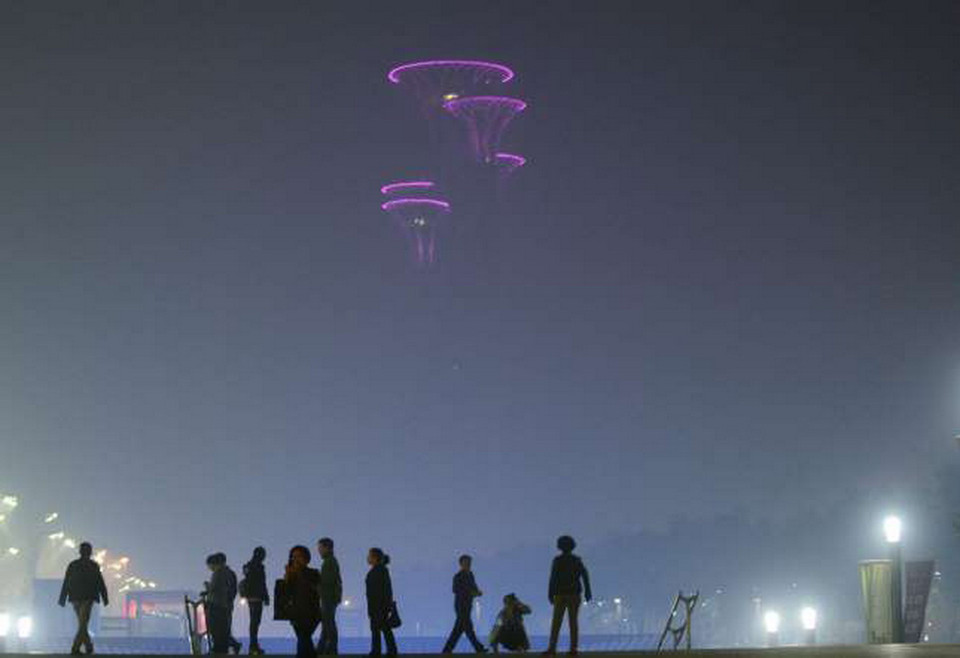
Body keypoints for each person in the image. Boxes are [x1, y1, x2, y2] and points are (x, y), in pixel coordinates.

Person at [58, 542, 109, 655]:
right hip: (88, 597)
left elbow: (67, 582)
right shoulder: (93, 566)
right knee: (83, 623)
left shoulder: (73, 565)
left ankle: (83, 647)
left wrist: (63, 598)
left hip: (75, 597)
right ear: (90, 552)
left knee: (82, 623)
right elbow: (100, 582)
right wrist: (105, 597)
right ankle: (81, 647)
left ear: (80, 552)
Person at [544, 536, 591, 656]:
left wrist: (550, 593)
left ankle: (552, 648)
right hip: (574, 593)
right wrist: (587, 591)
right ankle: (573, 649)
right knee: (573, 622)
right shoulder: (576, 560)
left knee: (556, 622)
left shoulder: (557, 560)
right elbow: (584, 575)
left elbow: (553, 578)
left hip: (560, 594)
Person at [442, 555, 487, 653]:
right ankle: (478, 648)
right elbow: (455, 590)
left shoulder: (470, 575)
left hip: (467, 605)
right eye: (466, 562)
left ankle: (447, 650)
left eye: (469, 562)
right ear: (461, 564)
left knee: (459, 630)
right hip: (461, 606)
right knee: (468, 628)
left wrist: (477, 592)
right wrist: (471, 592)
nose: (469, 564)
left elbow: (473, 587)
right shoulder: (458, 576)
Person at [285, 545, 321, 658]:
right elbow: (287, 593)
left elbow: (316, 590)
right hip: (296, 614)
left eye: (298, 556)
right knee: (305, 642)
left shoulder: (314, 573)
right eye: (293, 557)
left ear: (306, 558)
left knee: (303, 640)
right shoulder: (291, 574)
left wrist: (298, 572)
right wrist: (288, 576)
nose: (295, 559)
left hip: (311, 613)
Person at [365, 548, 397, 656]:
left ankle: (377, 651)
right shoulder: (382, 570)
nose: (367, 558)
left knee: (378, 629)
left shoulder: (378, 571)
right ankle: (388, 650)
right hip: (379, 606)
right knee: (383, 628)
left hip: (378, 606)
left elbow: (382, 590)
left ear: (374, 558)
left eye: (369, 556)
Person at [204, 553, 238, 655]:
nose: (210, 568)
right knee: (225, 630)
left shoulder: (218, 574)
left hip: (217, 606)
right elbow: (233, 590)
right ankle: (224, 648)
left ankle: (218, 650)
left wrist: (207, 587)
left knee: (217, 630)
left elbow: (214, 588)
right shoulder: (231, 573)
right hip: (226, 606)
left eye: (210, 565)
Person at [316, 538, 343, 655]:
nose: (319, 551)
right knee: (327, 622)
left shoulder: (329, 562)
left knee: (328, 622)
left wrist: (317, 583)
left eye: (320, 548)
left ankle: (330, 648)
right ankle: (323, 647)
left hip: (328, 597)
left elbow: (327, 581)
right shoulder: (331, 561)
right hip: (331, 597)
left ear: (327, 548)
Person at [242, 547, 270, 655]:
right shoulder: (259, 567)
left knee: (253, 622)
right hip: (257, 597)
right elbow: (262, 583)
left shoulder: (248, 566)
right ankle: (253, 646)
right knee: (255, 622)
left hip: (250, 597)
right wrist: (266, 597)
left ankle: (253, 645)